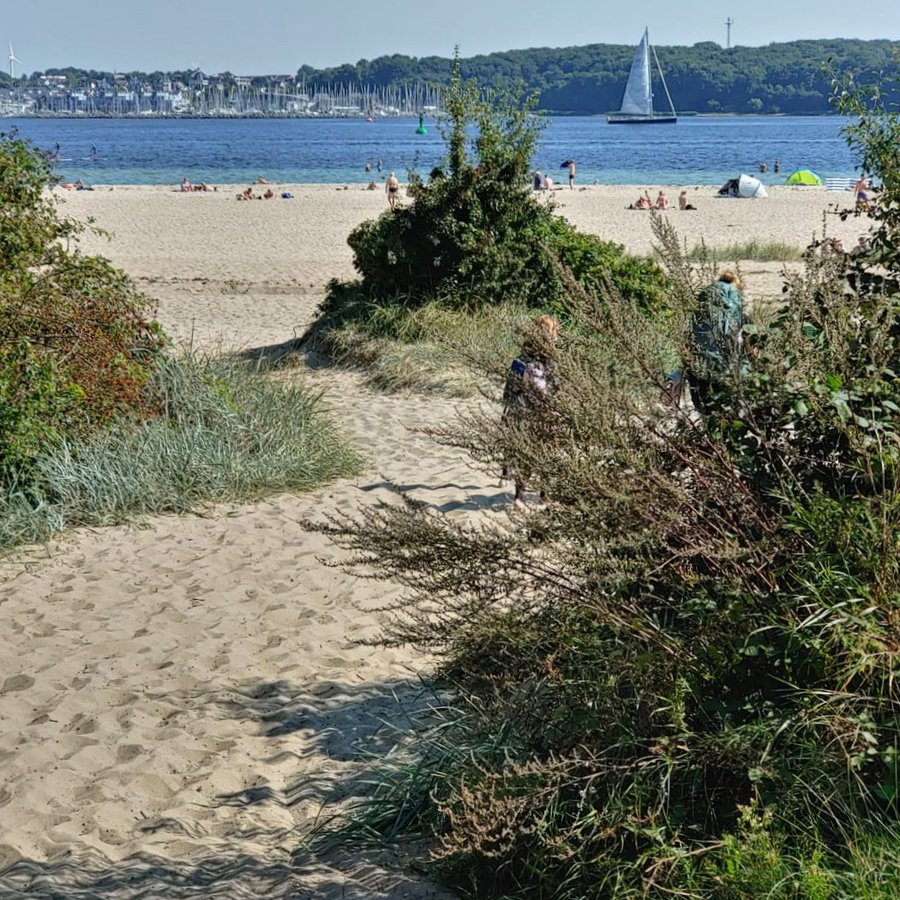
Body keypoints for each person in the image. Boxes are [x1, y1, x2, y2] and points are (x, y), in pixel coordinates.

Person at [501, 314, 561, 508]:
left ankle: (519, 496)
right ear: (553, 333)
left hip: (522, 409)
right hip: (544, 411)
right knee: (546, 452)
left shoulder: (522, 356)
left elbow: (511, 386)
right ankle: (543, 496)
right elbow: (558, 386)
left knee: (526, 452)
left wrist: (508, 412)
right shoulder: (552, 358)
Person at [686, 271, 750, 415]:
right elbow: (753, 352)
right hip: (730, 373)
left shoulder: (696, 317)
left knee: (707, 416)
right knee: (729, 419)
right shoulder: (743, 318)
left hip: (699, 374)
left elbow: (687, 346)